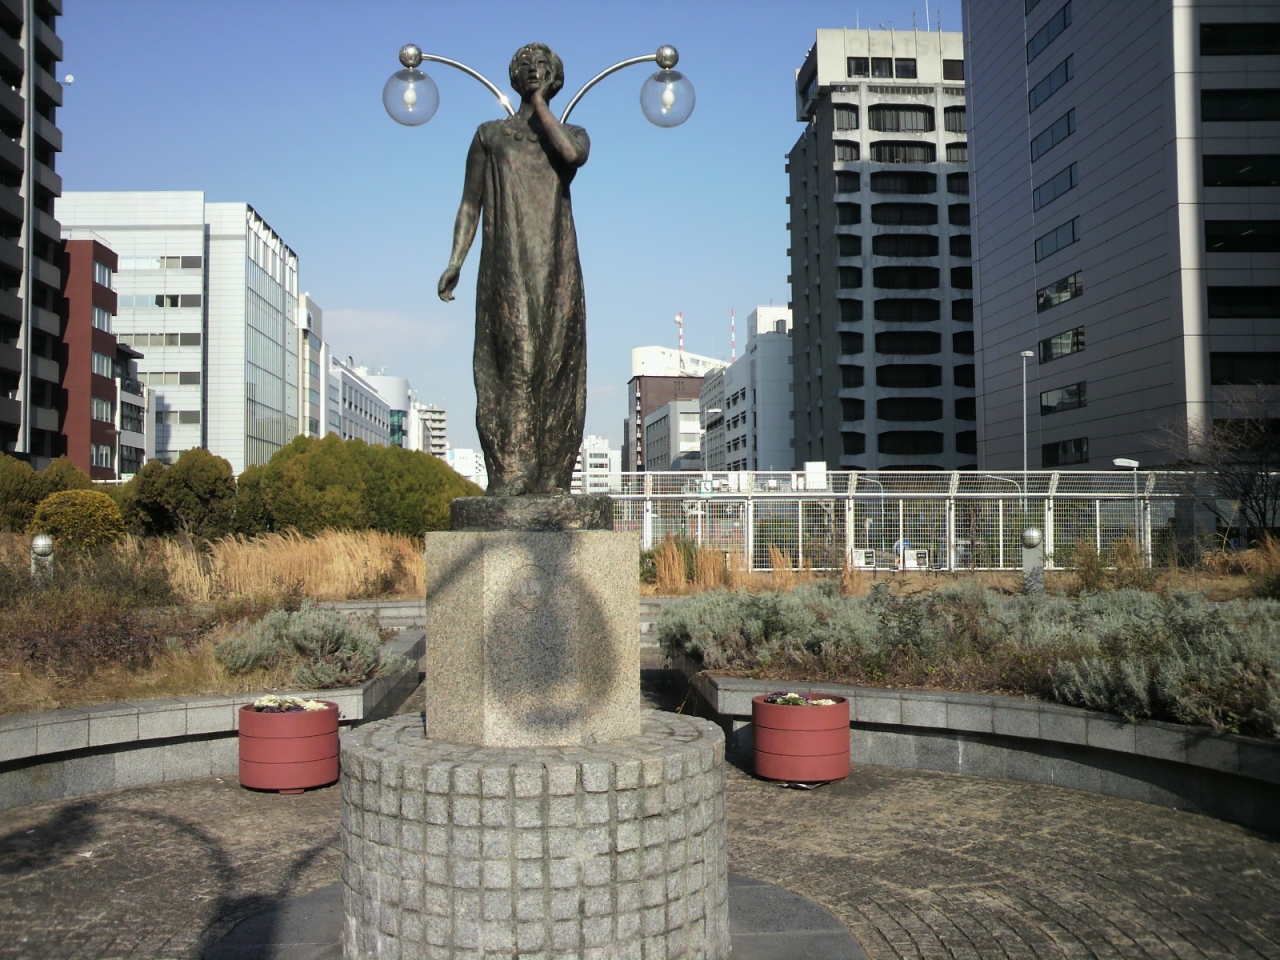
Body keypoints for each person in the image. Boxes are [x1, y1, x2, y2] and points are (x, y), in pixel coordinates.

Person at [438, 43, 589, 497]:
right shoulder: (490, 135)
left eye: (542, 66)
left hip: (558, 268)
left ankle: (553, 476)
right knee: (517, 358)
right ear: (513, 75)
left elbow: (571, 155)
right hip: (506, 265)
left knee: (556, 360)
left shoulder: (572, 133)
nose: (533, 70)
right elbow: (470, 203)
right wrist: (455, 261)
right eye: (525, 66)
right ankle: (510, 471)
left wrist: (541, 106)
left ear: (555, 77)